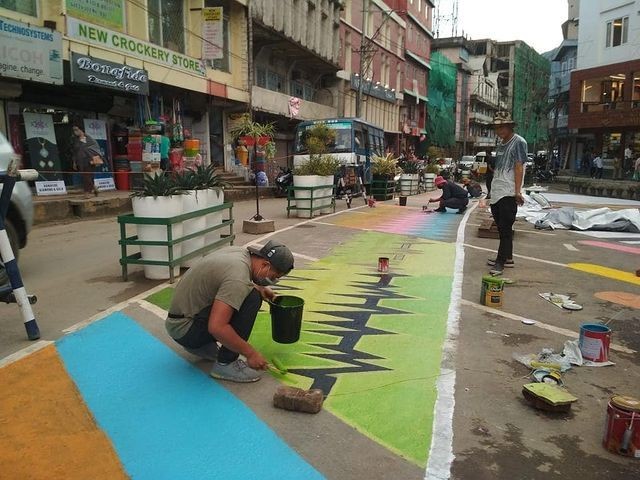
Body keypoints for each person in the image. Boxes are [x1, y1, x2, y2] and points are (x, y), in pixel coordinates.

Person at [165, 240, 295, 383]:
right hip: (185, 330)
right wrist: (250, 354)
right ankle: (225, 364)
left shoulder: (239, 254)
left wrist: (261, 287)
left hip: (179, 320)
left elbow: (227, 280)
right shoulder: (238, 278)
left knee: (251, 291)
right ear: (265, 265)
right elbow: (217, 327)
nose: (273, 281)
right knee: (252, 299)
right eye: (274, 276)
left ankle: (201, 346)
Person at [487, 111, 527, 276]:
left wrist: (517, 191)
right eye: (497, 127)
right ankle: (508, 257)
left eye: (502, 127)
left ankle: (500, 262)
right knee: (502, 226)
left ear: (510, 126)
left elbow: (518, 166)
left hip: (508, 192)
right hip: (498, 190)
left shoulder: (518, 142)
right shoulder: (502, 143)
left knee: (505, 229)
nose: (499, 130)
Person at [70, 123, 102, 196]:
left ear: (81, 130)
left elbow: (95, 148)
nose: (75, 132)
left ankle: (87, 192)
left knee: (87, 176)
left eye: (76, 130)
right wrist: (74, 162)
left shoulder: (89, 139)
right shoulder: (76, 140)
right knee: (86, 176)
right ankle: (95, 189)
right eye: (74, 130)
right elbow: (75, 152)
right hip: (80, 160)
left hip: (89, 160)